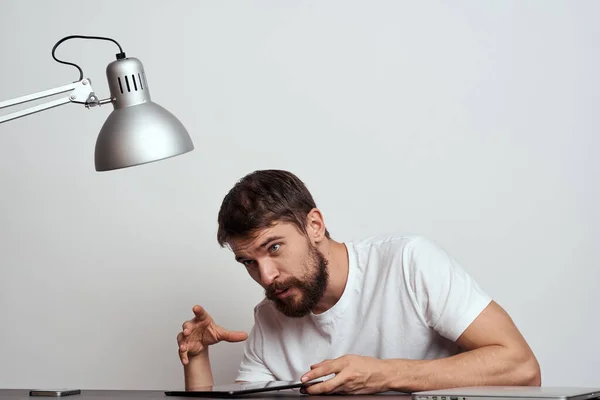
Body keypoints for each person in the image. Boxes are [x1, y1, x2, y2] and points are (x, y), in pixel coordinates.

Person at [176, 169, 541, 394]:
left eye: (274, 247)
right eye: (248, 263)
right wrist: (197, 361)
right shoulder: (269, 319)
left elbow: (522, 368)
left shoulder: (407, 261)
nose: (266, 276)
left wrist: (384, 375)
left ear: (314, 225)